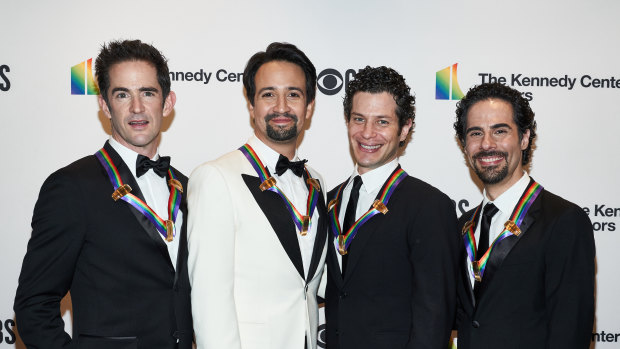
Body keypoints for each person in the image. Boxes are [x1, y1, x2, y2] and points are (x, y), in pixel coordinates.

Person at [14, 39, 193, 348]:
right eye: (122, 94)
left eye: (147, 93)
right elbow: (34, 305)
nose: (137, 108)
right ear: (105, 105)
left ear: (167, 103)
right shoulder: (71, 187)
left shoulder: (188, 187)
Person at [187, 42, 327, 349]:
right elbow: (209, 299)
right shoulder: (216, 178)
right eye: (268, 94)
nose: (281, 106)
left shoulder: (317, 182)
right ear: (251, 106)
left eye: (293, 94)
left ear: (309, 106)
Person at [324, 66, 459, 349]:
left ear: (404, 128)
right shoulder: (330, 200)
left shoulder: (430, 207)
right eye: (359, 119)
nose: (367, 133)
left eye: (382, 122)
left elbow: (434, 318)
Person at [453, 82, 595, 349]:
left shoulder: (564, 221)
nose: (486, 144)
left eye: (500, 131)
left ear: (525, 138)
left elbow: (571, 331)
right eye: (475, 133)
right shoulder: (462, 227)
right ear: (464, 145)